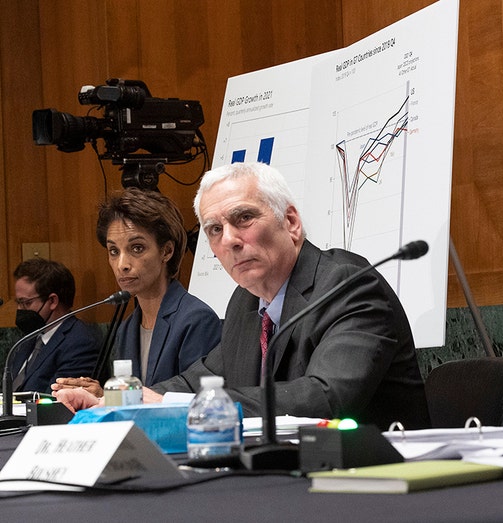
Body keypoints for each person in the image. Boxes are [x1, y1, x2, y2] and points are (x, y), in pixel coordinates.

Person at [55, 162, 430, 431]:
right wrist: (121, 400)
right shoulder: (245, 302)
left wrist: (182, 407)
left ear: (291, 222)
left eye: (244, 219)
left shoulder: (347, 286)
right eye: (214, 229)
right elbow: (199, 379)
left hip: (377, 482)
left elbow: (325, 398)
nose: (229, 240)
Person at [53, 188, 220, 393]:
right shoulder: (127, 327)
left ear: (166, 251)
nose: (122, 264)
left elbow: (198, 399)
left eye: (137, 248)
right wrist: (103, 397)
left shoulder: (196, 320)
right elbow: (133, 399)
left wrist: (112, 397)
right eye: (114, 251)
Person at [10, 258, 98, 394]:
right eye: (18, 302)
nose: (19, 309)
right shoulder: (29, 339)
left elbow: (56, 401)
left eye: (26, 303)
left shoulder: (79, 343)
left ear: (52, 301)